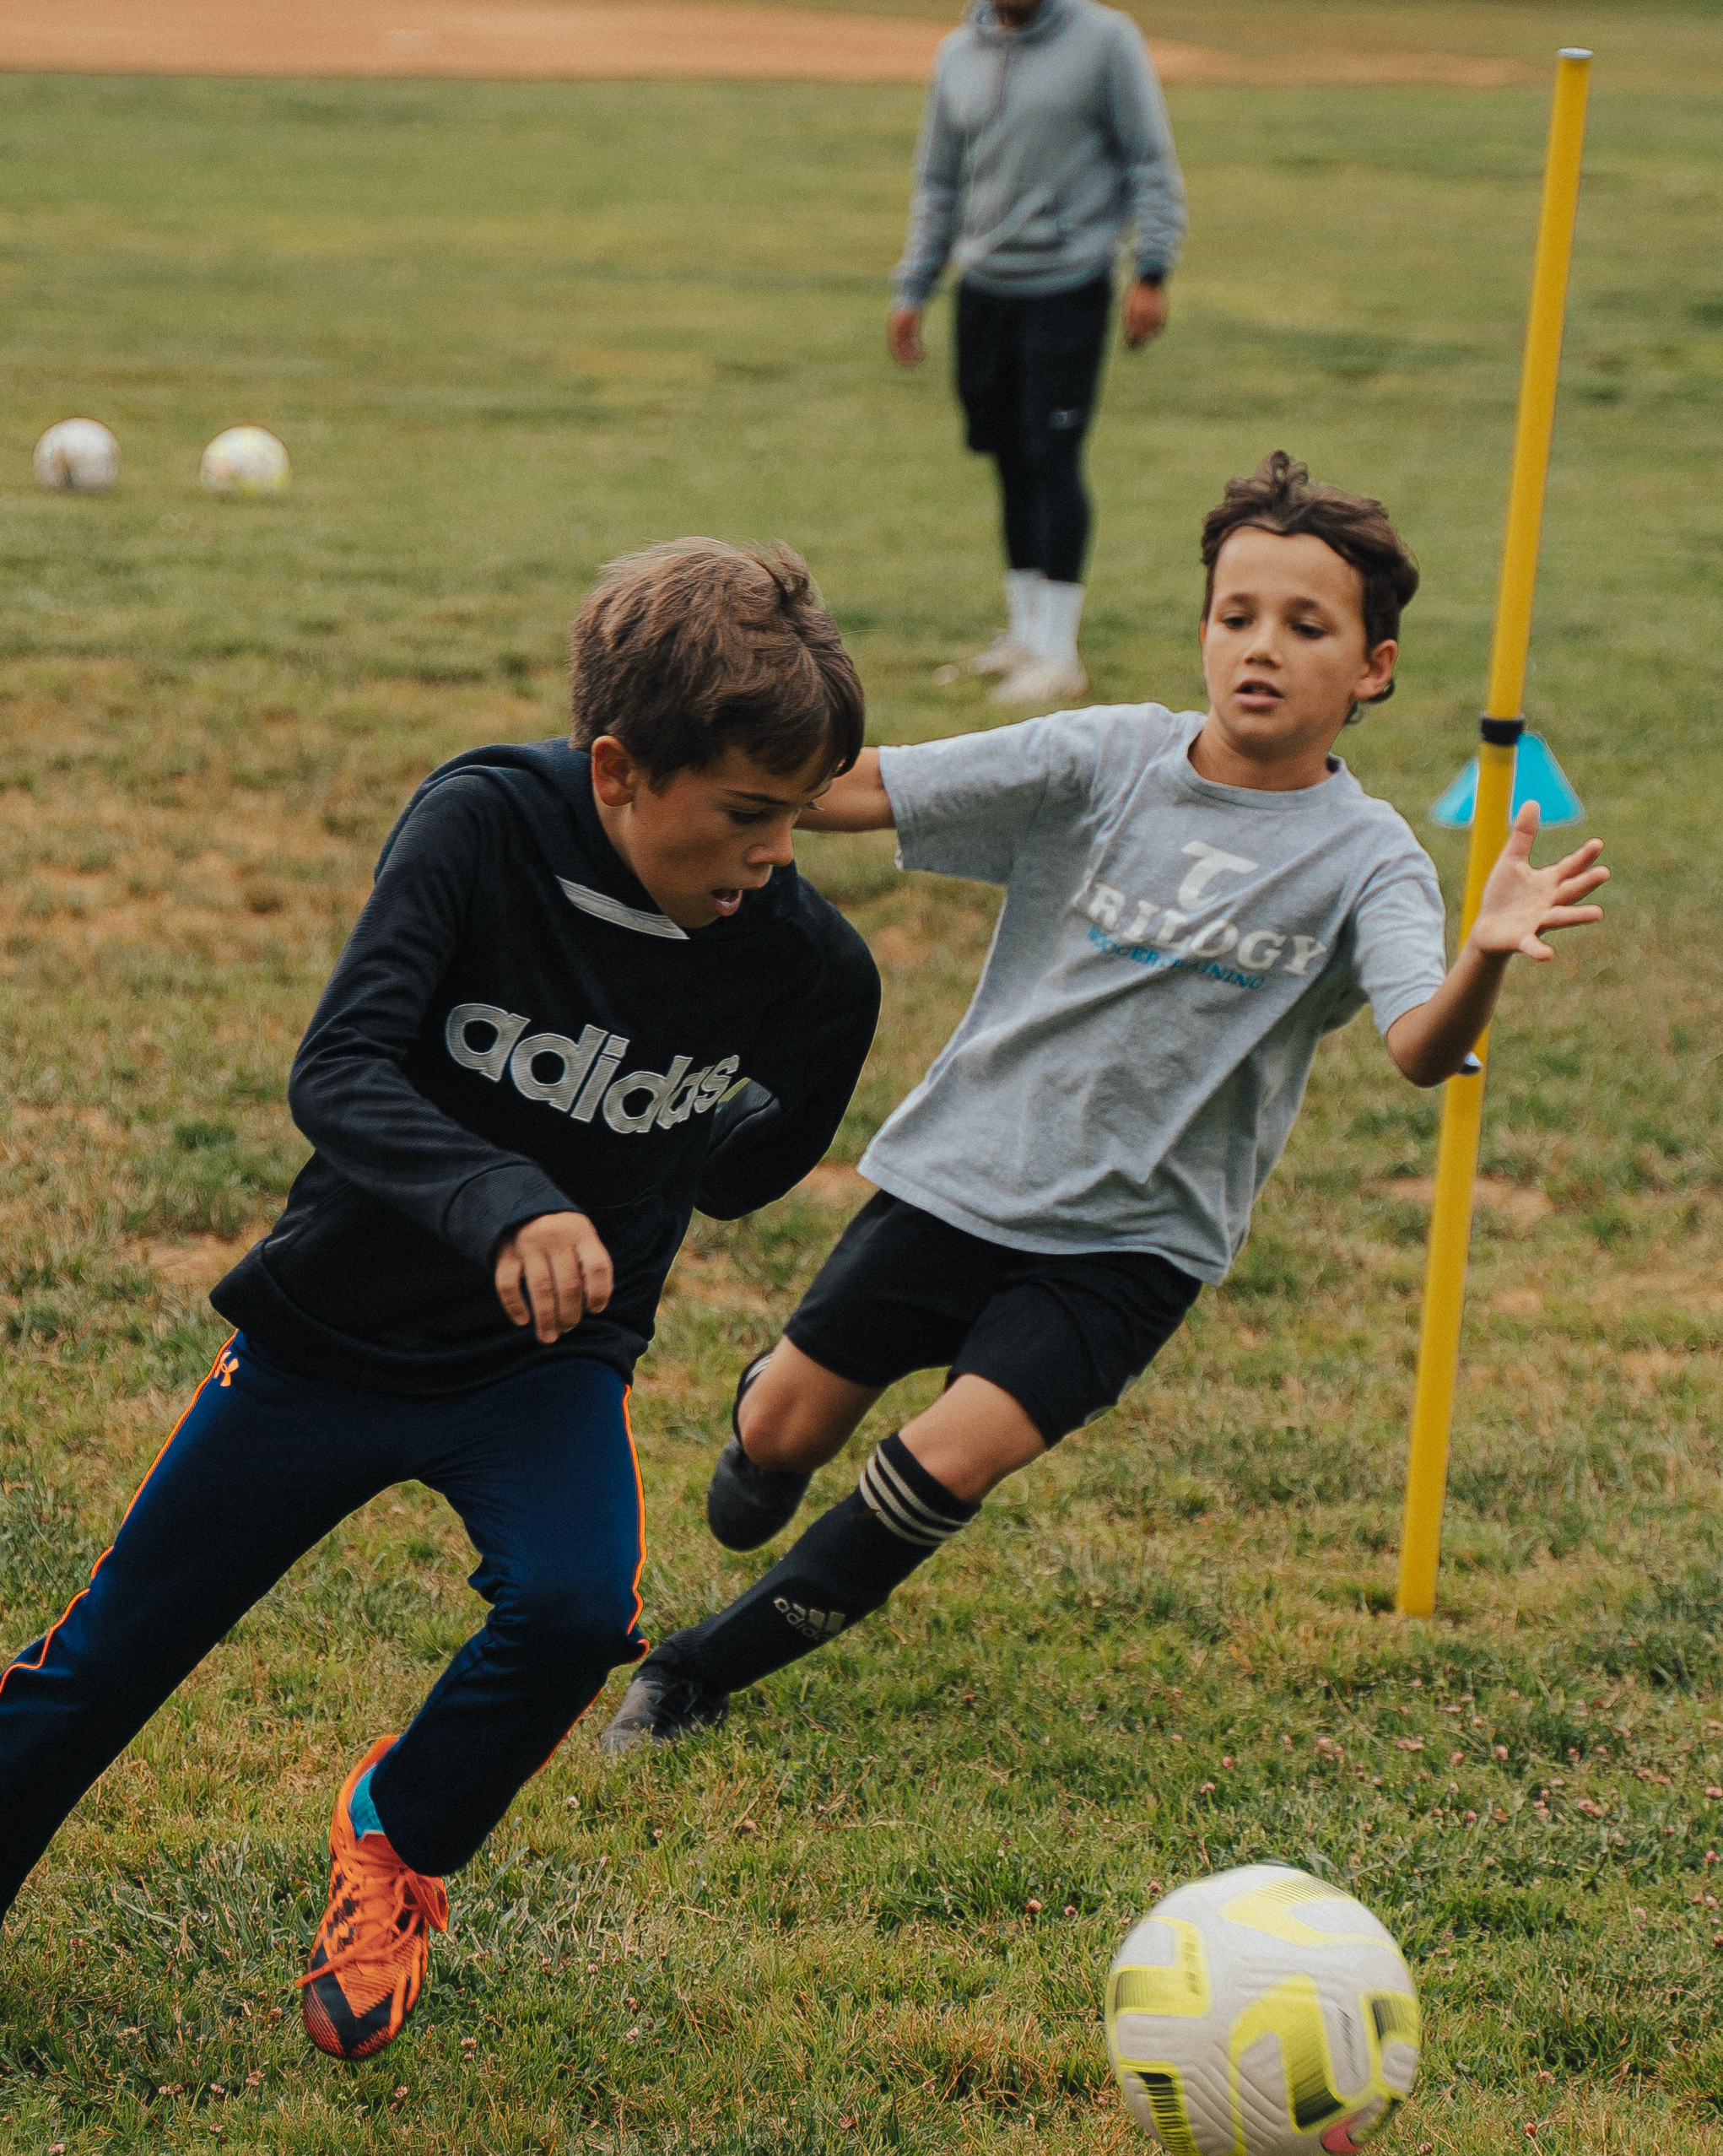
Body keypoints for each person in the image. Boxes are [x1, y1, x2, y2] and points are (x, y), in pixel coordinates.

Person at [0, 540, 879, 2062]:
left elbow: (743, 1172)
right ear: (616, 769)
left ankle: (395, 1850)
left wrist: (767, 1095)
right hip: (328, 1334)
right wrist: (509, 1198)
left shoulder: (803, 963)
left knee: (572, 1605)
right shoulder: (485, 823)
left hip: (541, 1366)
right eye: (745, 812)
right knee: (107, 1662)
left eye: (798, 815)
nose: (774, 854)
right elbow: (337, 1069)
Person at [601, 451, 1609, 1755]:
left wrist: (1482, 954)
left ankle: (694, 1671)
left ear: (1371, 669)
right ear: (1201, 627)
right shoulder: (1100, 757)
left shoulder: (1370, 861)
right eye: (1236, 614)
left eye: (1308, 627)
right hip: (959, 1176)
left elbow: (1421, 1046)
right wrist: (688, 779)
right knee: (776, 1439)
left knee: (940, 1465)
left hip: (1130, 1247)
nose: (1262, 648)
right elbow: (860, 787)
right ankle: (769, 1422)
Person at [889, 0, 1186, 710]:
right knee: (1009, 455)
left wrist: (1152, 270)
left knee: (1053, 456)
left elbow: (1150, 160)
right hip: (984, 289)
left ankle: (1061, 651)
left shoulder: (1105, 43)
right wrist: (915, 285)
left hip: (1069, 286)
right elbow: (939, 183)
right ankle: (1026, 633)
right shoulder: (957, 54)